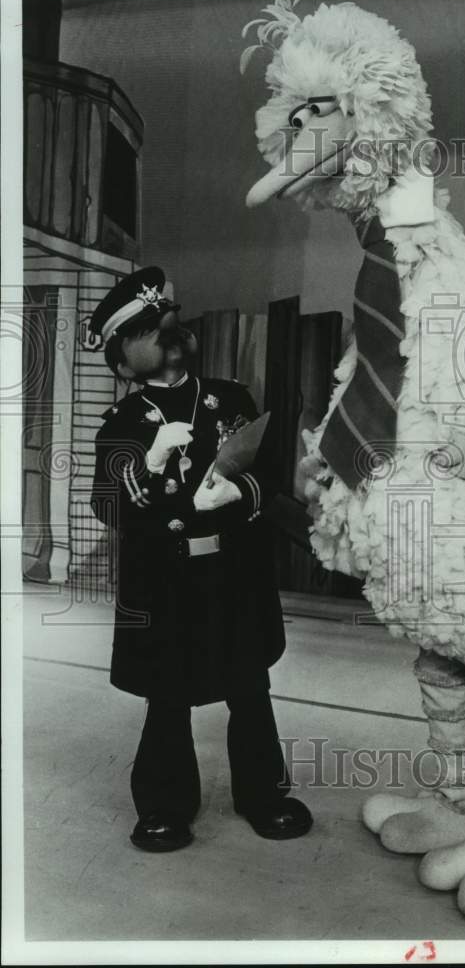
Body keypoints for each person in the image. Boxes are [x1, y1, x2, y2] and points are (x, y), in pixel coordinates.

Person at [89, 265, 312, 852]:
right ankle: (164, 806)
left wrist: (242, 493)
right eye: (144, 325)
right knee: (167, 695)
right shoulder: (121, 426)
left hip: (233, 576)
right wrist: (151, 463)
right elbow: (109, 507)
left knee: (249, 686)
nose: (165, 325)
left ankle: (265, 795)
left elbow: (268, 471)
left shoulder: (229, 398)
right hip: (165, 582)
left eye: (167, 316)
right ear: (120, 363)